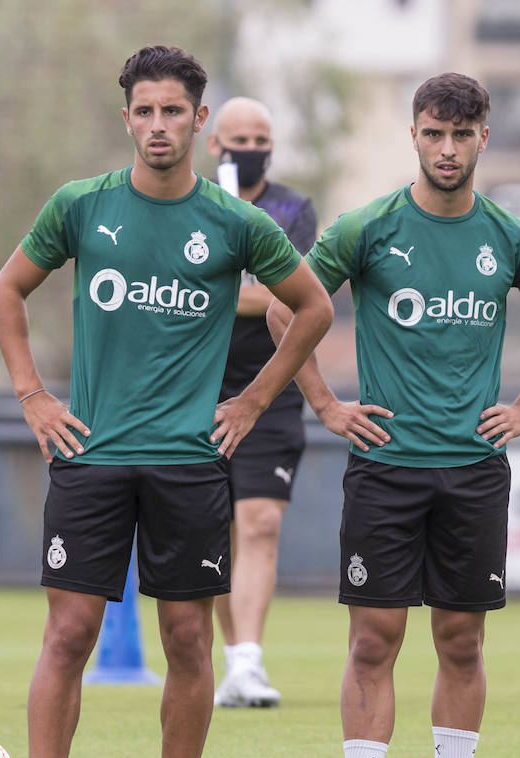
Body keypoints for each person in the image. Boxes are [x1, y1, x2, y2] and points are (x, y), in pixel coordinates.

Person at [0, 46, 334, 758]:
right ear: (126, 120)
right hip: (93, 456)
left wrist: (253, 400)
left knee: (187, 639)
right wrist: (34, 395)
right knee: (68, 634)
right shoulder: (80, 207)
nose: (157, 126)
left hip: (189, 463)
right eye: (143, 111)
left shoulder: (237, 223)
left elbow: (313, 307)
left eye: (172, 111)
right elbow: (6, 291)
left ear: (199, 122)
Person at [270, 72, 520, 758]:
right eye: (434, 134)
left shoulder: (511, 238)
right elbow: (287, 304)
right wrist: (327, 404)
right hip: (387, 465)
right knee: (374, 638)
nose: (448, 149)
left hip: (474, 469)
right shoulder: (368, 226)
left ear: (485, 137)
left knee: (462, 640)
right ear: (414, 135)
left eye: (463, 134)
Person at [205, 97, 319, 708]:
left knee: (261, 521)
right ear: (214, 146)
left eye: (261, 137)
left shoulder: (292, 209)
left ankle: (249, 659)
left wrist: (222, 286)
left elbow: (291, 294)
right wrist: (244, 286)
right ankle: (233, 661)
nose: (250, 147)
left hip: (272, 387)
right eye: (238, 138)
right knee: (213, 532)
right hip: (196, 390)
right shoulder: (195, 204)